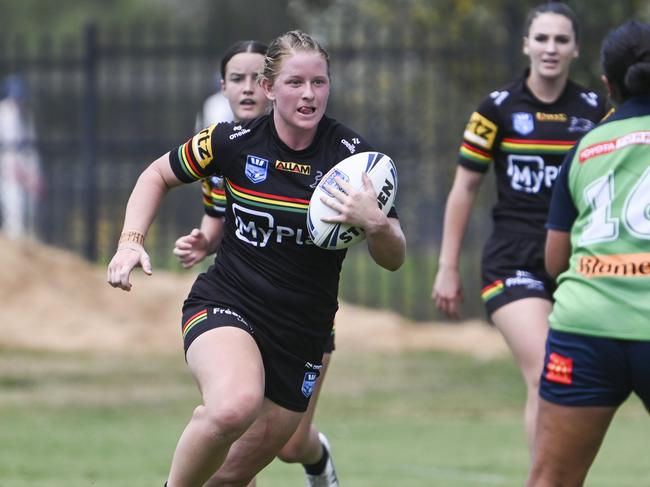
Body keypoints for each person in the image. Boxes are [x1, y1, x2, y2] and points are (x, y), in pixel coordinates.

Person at [107, 30, 406, 487]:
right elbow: (156, 174)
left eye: (319, 82)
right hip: (228, 303)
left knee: (230, 477)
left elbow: (394, 259)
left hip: (302, 335)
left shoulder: (356, 161)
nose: (309, 94)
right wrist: (131, 239)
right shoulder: (233, 140)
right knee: (232, 406)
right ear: (269, 88)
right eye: (295, 82)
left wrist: (377, 224)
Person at [431, 2, 609, 454]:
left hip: (577, 262)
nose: (551, 48)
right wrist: (447, 267)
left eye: (561, 40)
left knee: (575, 384)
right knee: (547, 370)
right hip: (512, 259)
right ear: (526, 44)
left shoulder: (595, 111)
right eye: (543, 38)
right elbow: (464, 189)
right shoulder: (497, 108)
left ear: (575, 49)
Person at [173, 39, 340, 486]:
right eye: (236, 79)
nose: (246, 89)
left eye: (254, 78)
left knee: (288, 445)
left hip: (300, 319)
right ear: (223, 88)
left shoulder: (327, 151)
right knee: (231, 420)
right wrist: (201, 242)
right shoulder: (225, 150)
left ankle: (318, 460)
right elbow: (218, 222)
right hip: (238, 302)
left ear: (268, 86)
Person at [526, 19, 650, 486]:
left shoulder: (585, 147)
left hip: (586, 329)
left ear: (607, 84)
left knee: (551, 480)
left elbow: (555, 261)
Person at [0, 74, 43, 239]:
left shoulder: (26, 115)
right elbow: (8, 148)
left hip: (27, 172)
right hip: (8, 172)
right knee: (15, 215)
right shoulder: (4, 113)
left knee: (31, 218)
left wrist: (35, 175)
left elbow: (30, 149)